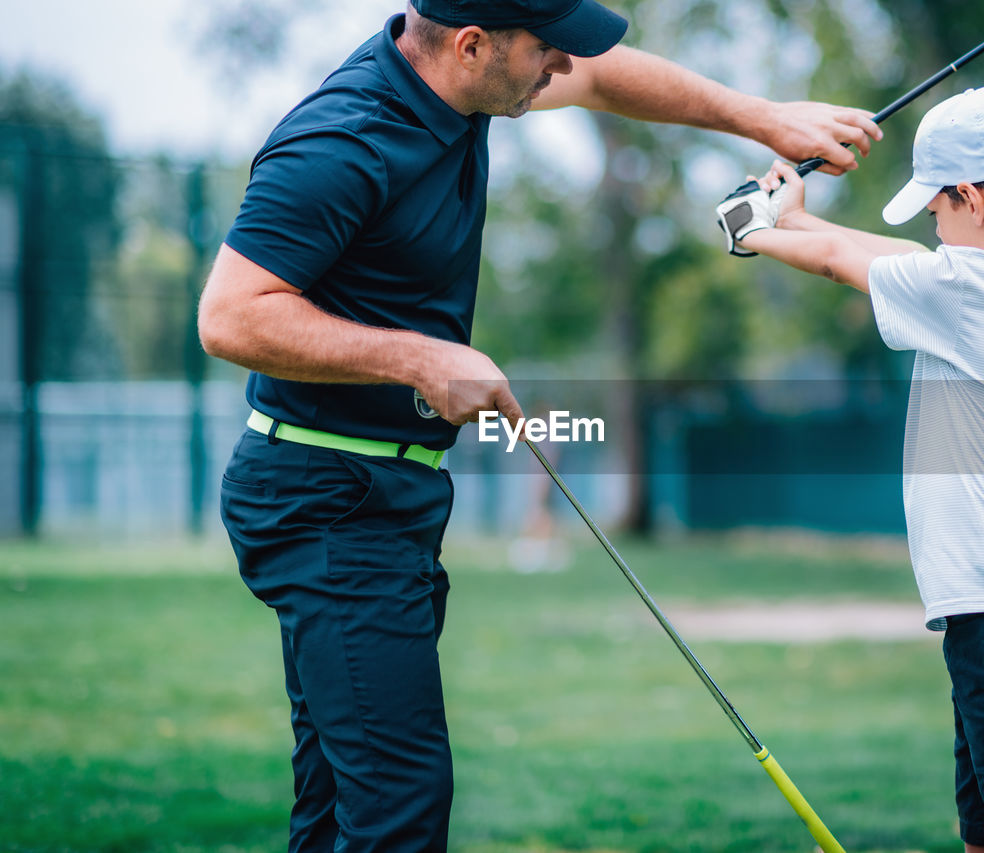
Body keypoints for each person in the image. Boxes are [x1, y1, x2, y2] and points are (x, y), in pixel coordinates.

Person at [197, 1, 883, 849]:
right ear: (472, 44)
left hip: (385, 494)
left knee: (342, 805)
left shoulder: (461, 85)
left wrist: (764, 118)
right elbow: (230, 317)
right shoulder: (342, 142)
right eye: (544, 49)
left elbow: (600, 75)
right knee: (398, 808)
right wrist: (421, 360)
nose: (560, 66)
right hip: (327, 499)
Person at [718, 86, 984, 853]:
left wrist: (750, 232)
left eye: (936, 210)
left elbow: (846, 262)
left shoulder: (967, 292)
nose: (931, 227)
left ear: (972, 197)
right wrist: (792, 217)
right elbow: (906, 262)